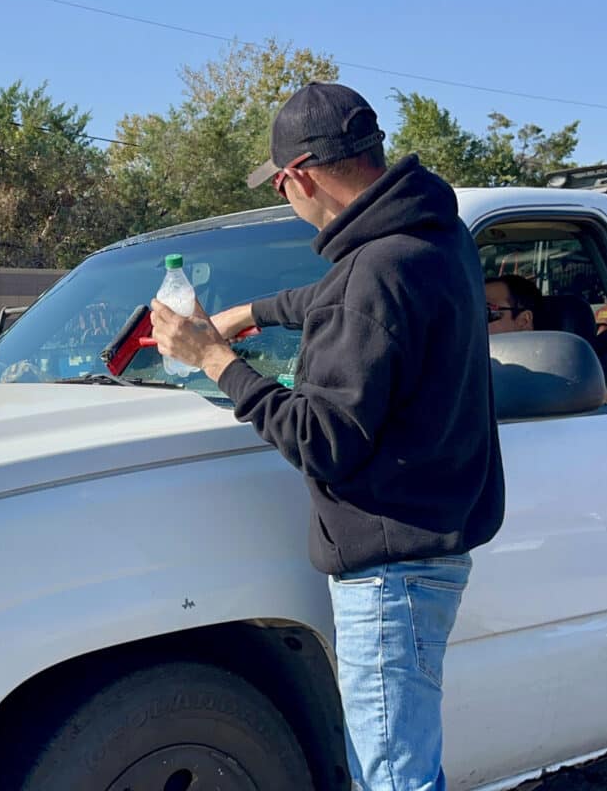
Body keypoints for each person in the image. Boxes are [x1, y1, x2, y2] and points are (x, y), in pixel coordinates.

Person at [149, 83, 505, 791]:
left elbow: (320, 439)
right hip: (430, 549)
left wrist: (215, 360)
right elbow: (339, 300)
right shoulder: (433, 240)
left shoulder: (372, 275)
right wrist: (249, 313)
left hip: (387, 571)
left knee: (397, 778)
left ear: (301, 175)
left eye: (281, 185)